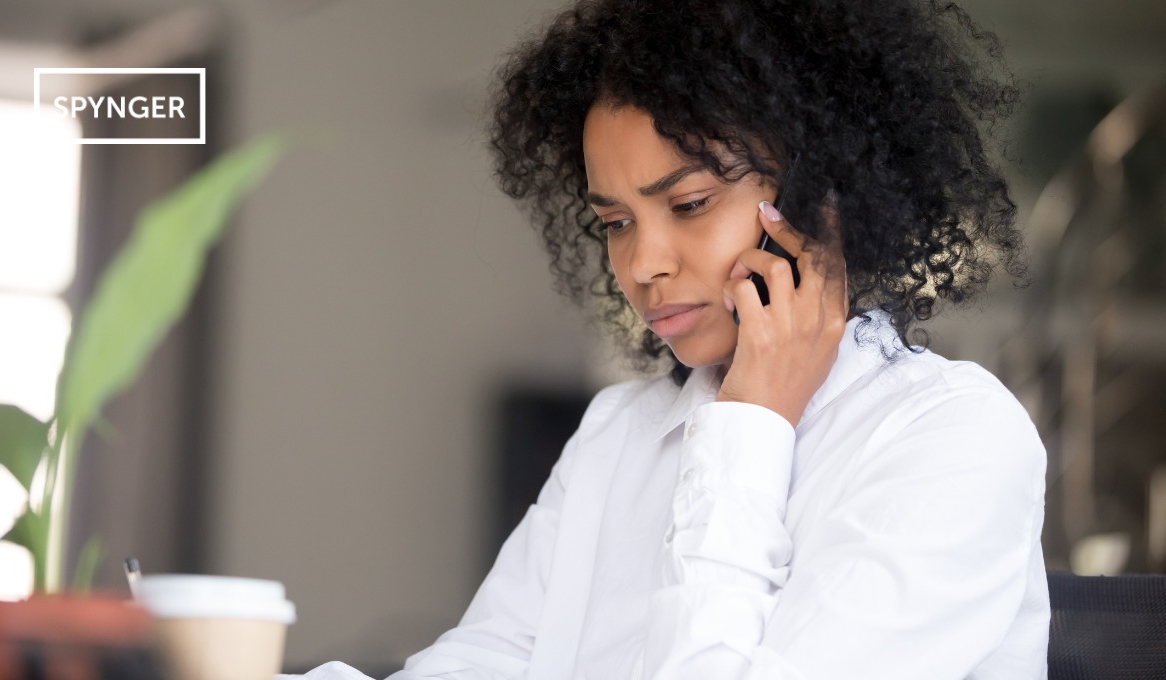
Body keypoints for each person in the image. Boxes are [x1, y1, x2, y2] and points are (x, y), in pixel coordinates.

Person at [294, 0, 1047, 677]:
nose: (642, 263)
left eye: (688, 203)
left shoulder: (952, 441)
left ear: (825, 200)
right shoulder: (621, 434)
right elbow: (489, 659)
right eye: (615, 223)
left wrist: (754, 423)